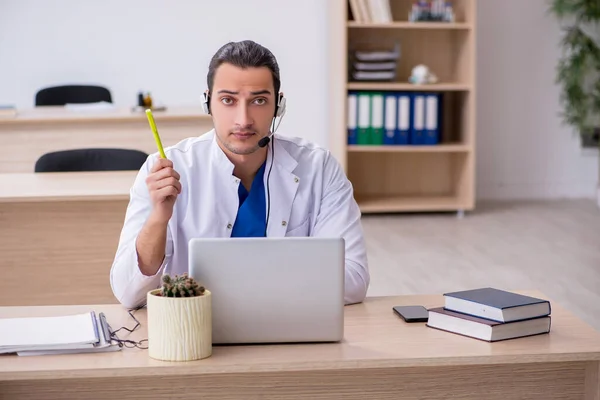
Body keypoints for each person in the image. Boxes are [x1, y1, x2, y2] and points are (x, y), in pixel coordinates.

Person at [109, 40, 369, 309]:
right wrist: (158, 220)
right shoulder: (166, 168)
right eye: (228, 100)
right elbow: (129, 294)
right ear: (207, 102)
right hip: (195, 334)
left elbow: (354, 279)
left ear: (278, 106)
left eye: (258, 100)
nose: (243, 120)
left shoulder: (319, 168)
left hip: (286, 326)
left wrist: (254, 285)